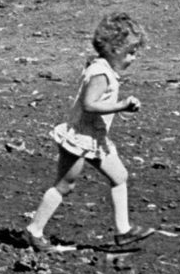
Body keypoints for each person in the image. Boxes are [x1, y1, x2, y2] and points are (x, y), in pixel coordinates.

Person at [25, 13, 147, 254]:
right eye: (131, 52)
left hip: (95, 138)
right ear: (114, 49)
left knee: (120, 177)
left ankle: (123, 231)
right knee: (64, 186)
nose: (134, 58)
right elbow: (89, 104)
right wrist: (121, 106)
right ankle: (34, 230)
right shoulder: (101, 75)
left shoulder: (102, 68)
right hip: (79, 139)